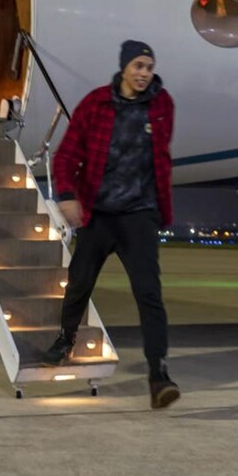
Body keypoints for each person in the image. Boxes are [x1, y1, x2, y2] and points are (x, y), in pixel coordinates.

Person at [41, 40, 180, 410]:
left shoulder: (162, 104)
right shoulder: (96, 104)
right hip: (99, 213)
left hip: (140, 214)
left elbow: (160, 156)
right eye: (138, 66)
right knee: (79, 282)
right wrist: (67, 195)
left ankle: (159, 375)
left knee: (149, 294)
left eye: (148, 67)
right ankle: (65, 338)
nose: (144, 73)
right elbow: (66, 154)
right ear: (124, 68)